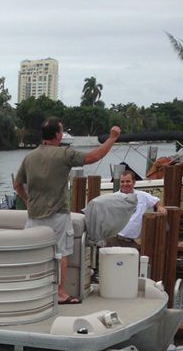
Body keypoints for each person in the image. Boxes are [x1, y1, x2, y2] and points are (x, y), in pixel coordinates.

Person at [13, 117, 121, 304]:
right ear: (57, 135)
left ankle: (32, 290)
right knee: (62, 254)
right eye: (61, 131)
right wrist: (112, 138)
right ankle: (60, 293)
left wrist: (27, 200)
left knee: (34, 253)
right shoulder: (64, 154)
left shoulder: (29, 157)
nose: (62, 134)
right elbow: (93, 157)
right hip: (58, 214)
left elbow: (17, 184)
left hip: (34, 216)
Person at [104, 170, 167, 251]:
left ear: (134, 182)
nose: (125, 184)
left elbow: (156, 201)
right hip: (113, 239)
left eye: (128, 181)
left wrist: (160, 207)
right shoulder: (112, 198)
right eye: (122, 182)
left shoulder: (143, 196)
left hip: (132, 242)